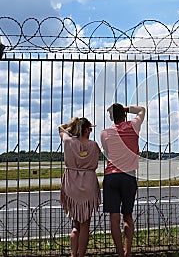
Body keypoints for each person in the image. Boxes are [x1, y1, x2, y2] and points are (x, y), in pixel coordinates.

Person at [100, 103, 146, 257]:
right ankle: (128, 252)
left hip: (111, 176)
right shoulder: (133, 125)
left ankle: (119, 252)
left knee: (114, 216)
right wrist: (126, 109)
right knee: (127, 215)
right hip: (129, 176)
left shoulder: (105, 133)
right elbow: (142, 110)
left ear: (112, 117)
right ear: (124, 114)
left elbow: (107, 152)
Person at [58, 117, 101, 257]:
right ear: (87, 130)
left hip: (72, 185)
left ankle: (73, 254)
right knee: (85, 225)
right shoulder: (94, 145)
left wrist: (72, 126)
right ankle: (81, 255)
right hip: (88, 184)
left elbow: (60, 128)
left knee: (75, 225)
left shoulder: (68, 142)